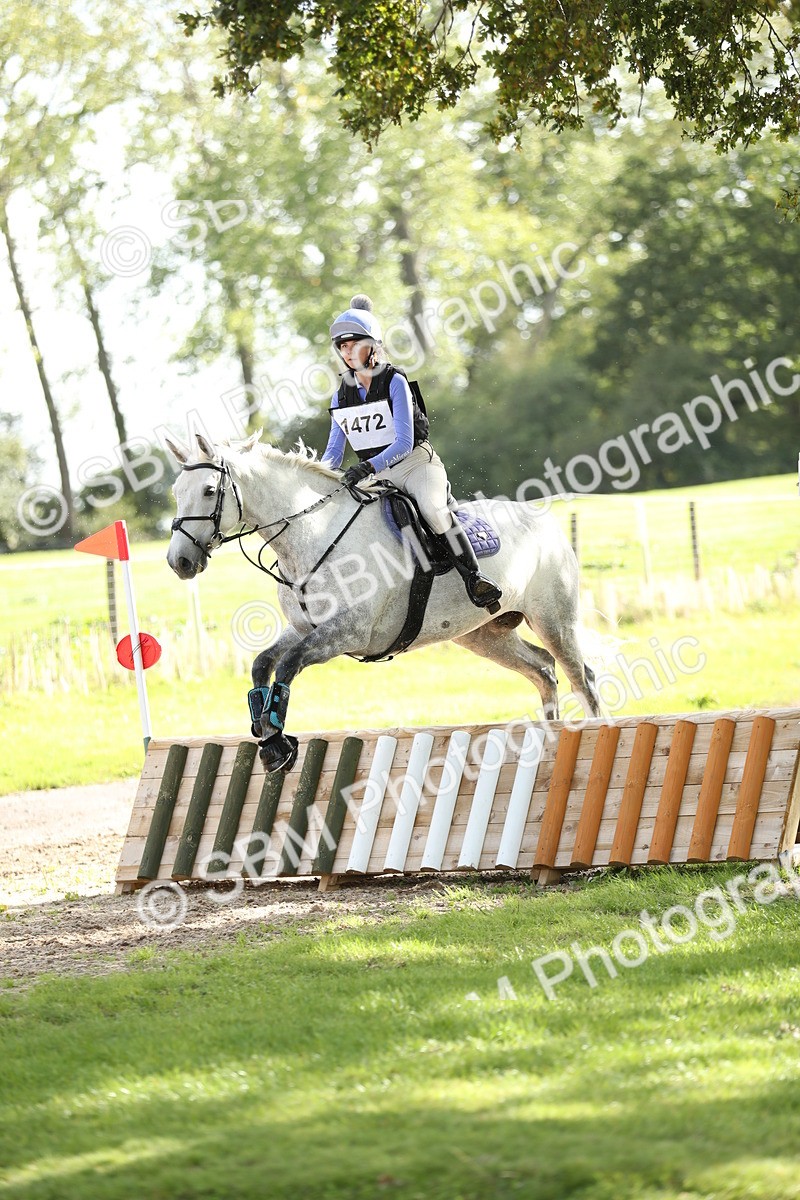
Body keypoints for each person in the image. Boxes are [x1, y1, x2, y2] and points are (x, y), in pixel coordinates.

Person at [320, 294, 502, 611]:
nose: (347, 352)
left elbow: (404, 442)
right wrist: (315, 477)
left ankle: (475, 578)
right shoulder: (341, 396)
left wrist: (367, 467)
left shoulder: (394, 381)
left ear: (372, 346)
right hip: (378, 476)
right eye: (343, 346)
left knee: (432, 509)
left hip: (415, 464)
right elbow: (333, 454)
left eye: (354, 344)